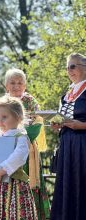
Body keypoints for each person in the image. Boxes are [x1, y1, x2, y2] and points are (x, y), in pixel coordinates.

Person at [0, 68, 50, 220]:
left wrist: (17, 136)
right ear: (6, 85)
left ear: (25, 85)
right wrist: (5, 136)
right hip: (3, 148)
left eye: (20, 83)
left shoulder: (30, 101)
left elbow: (37, 125)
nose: (16, 86)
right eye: (12, 82)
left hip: (26, 149)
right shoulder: (0, 103)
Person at [50, 53, 86, 220]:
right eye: (67, 67)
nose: (69, 70)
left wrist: (82, 125)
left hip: (83, 145)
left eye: (73, 66)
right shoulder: (68, 93)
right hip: (67, 145)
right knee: (68, 186)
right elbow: (62, 117)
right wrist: (57, 125)